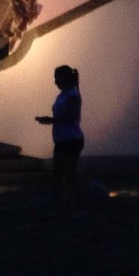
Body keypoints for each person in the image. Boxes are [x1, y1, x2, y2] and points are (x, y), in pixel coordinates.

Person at [34, 65, 84, 206]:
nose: (55, 82)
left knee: (68, 173)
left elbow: (72, 116)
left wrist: (50, 120)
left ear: (65, 78)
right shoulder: (63, 95)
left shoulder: (73, 96)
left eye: (57, 78)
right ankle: (63, 203)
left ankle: (78, 202)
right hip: (63, 140)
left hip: (71, 140)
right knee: (60, 174)